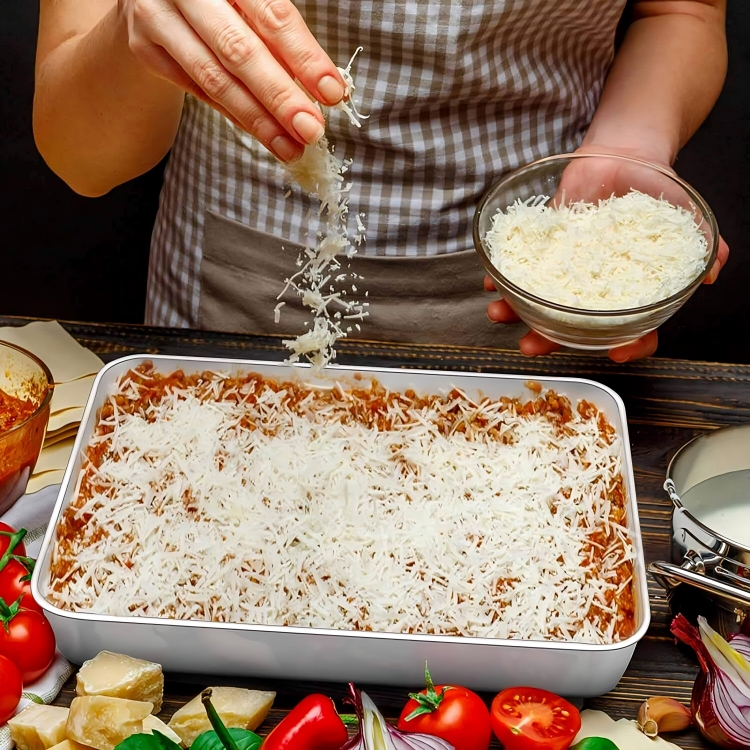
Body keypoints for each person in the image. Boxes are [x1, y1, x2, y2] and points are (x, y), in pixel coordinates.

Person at [33, 0, 729, 361]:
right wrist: (139, 22)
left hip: (536, 290)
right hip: (233, 296)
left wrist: (630, 143)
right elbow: (82, 157)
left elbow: (682, 12)